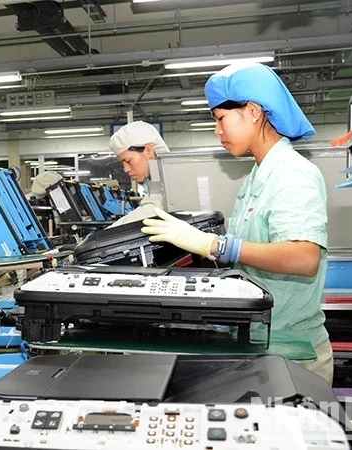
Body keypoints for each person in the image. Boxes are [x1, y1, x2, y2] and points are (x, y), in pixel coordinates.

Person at [140, 62, 332, 385]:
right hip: (263, 347)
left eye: (220, 119)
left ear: (254, 112)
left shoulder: (294, 174)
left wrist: (219, 246)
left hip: (295, 358)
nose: (217, 131)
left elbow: (305, 257)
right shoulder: (256, 178)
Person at [107, 121, 171, 227]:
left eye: (128, 161)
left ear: (148, 151)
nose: (126, 169)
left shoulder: (171, 179)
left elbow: (151, 211)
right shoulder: (155, 181)